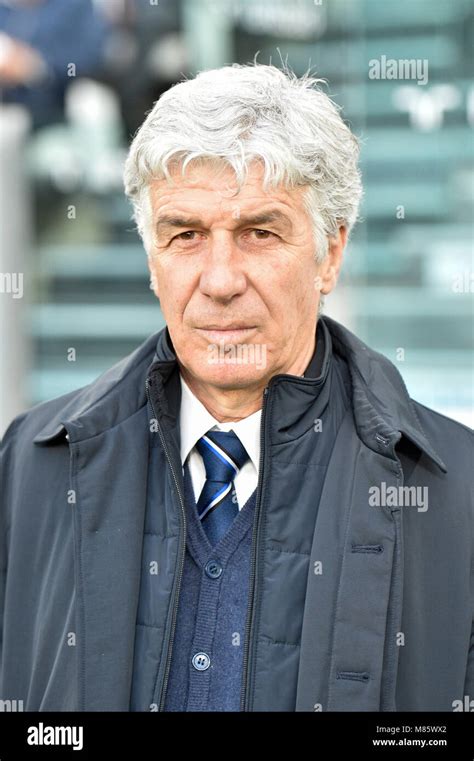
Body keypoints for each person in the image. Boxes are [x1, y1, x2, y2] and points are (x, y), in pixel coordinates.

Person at [0, 63, 472, 712]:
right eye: (185, 235)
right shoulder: (27, 468)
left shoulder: (458, 493)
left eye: (259, 232)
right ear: (150, 259)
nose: (220, 280)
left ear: (330, 253)